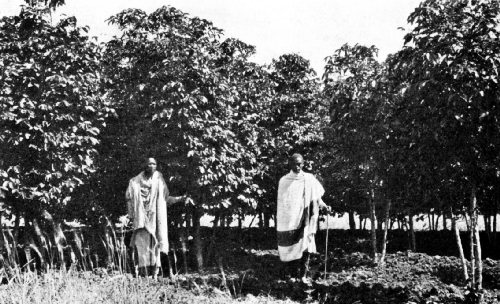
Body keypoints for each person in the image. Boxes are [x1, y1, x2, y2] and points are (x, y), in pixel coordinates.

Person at [125, 157, 190, 278]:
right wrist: (131, 215)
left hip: (155, 218)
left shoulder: (159, 180)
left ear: (156, 166)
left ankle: (155, 273)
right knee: (142, 245)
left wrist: (180, 198)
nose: (151, 166)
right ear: (144, 165)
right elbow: (129, 200)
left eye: (154, 164)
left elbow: (166, 198)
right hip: (140, 219)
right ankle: (142, 274)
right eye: (149, 163)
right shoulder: (134, 182)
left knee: (156, 244)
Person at [276, 153, 329, 282]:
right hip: (290, 221)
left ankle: (303, 276)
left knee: (306, 247)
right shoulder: (284, 181)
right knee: (292, 247)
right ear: (290, 164)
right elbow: (283, 203)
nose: (297, 166)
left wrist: (324, 206)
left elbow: (316, 196)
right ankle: (293, 276)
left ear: (303, 164)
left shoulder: (309, 179)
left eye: (299, 164)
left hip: (306, 219)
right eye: (294, 164)